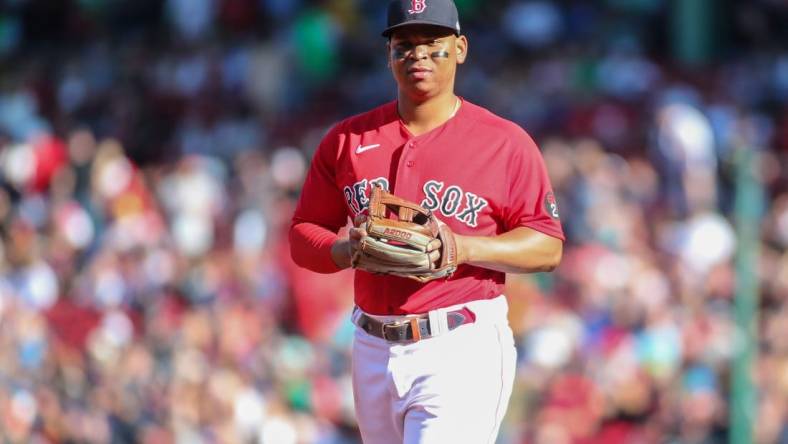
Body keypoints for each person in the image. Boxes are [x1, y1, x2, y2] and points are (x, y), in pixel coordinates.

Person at [289, 0, 564, 442]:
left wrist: (465, 247)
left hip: (459, 342)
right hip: (372, 345)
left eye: (432, 44)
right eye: (404, 45)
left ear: (460, 48)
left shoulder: (505, 143)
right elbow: (303, 235)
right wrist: (345, 251)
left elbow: (548, 246)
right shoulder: (346, 139)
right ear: (389, 54)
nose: (417, 55)